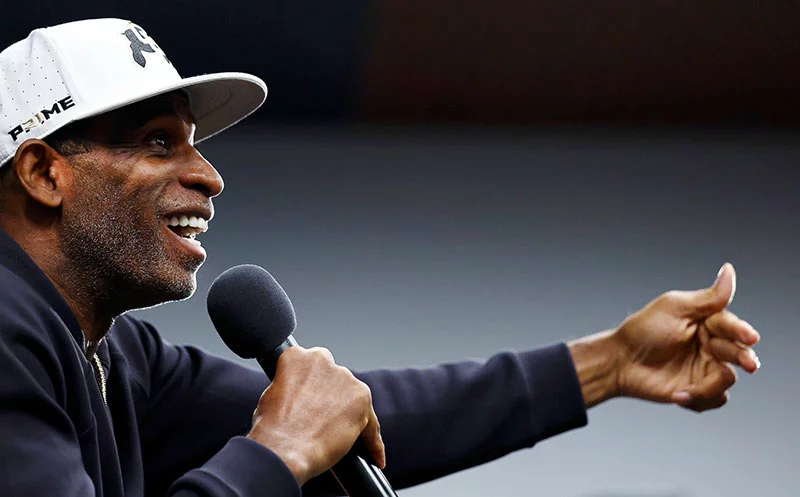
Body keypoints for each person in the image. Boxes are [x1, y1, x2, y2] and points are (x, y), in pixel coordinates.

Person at [0, 18, 760, 497]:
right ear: (43, 173)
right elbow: (294, 434)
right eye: (158, 142)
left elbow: (355, 416)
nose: (209, 175)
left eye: (193, 144)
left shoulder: (109, 350)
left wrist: (610, 362)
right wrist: (278, 452)